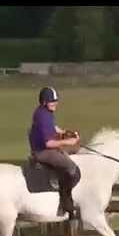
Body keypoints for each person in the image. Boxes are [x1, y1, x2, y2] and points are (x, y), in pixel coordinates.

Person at [29, 87, 81, 216]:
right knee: (72, 169)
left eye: (56, 100)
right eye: (52, 101)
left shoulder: (45, 112)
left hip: (45, 148)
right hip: (42, 152)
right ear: (44, 102)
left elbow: (53, 128)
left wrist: (65, 133)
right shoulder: (43, 116)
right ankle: (65, 202)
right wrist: (68, 142)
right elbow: (49, 143)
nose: (55, 103)